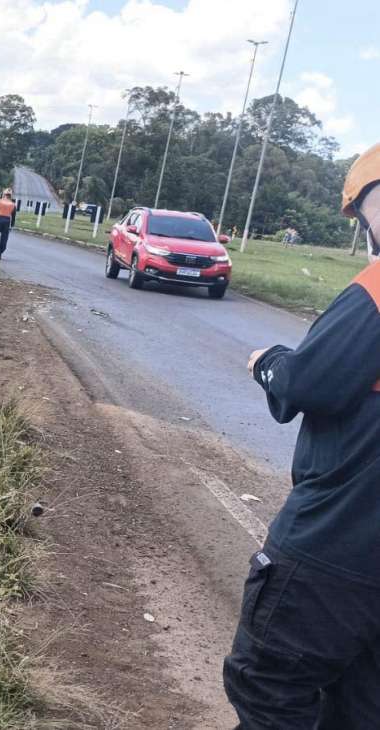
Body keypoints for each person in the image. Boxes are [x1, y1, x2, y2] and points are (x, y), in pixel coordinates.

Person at [226, 142, 380, 729]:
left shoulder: (375, 291)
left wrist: (269, 361)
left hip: (336, 549)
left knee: (268, 689)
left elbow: (311, 384)